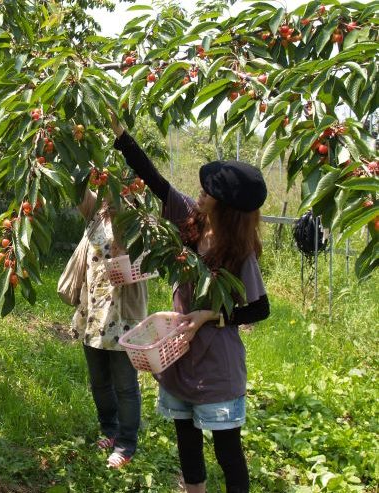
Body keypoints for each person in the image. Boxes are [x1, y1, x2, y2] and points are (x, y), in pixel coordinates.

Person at [110, 113, 270, 493]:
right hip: (178, 353)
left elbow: (259, 309)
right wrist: (121, 134)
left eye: (209, 189)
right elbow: (155, 181)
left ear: (226, 204)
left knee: (228, 451)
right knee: (186, 438)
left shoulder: (239, 253)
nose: (200, 191)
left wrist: (208, 316)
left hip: (217, 366)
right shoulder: (190, 222)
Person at [71, 186, 148, 468]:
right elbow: (76, 188)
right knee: (100, 380)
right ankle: (109, 430)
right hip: (93, 311)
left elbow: (139, 259)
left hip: (122, 313)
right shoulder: (97, 213)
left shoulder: (139, 222)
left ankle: (127, 443)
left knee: (125, 383)